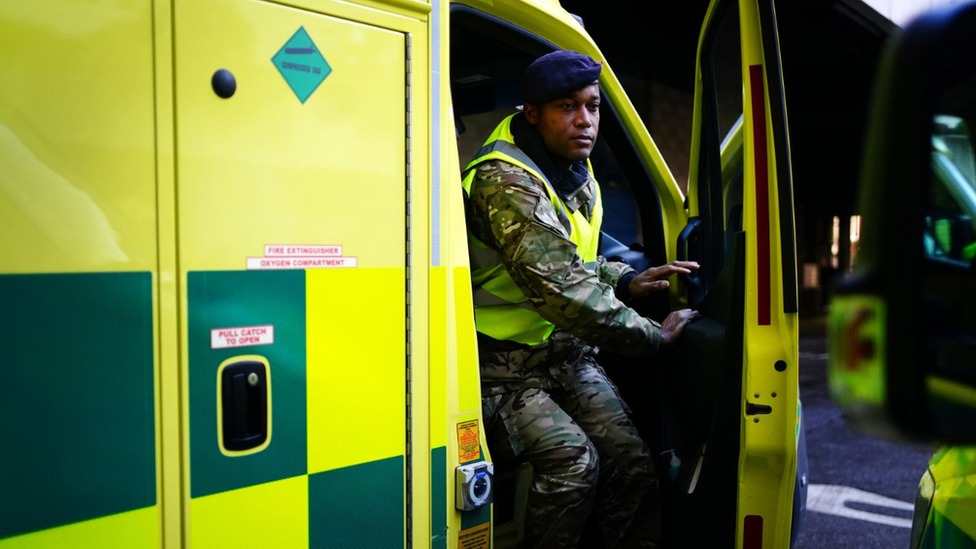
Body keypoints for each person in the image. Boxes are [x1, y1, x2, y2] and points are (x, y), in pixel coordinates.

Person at [460, 50, 701, 549]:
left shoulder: (573, 169)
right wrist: (654, 335)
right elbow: (561, 289)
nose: (584, 121)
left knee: (631, 461)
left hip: (563, 355)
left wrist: (625, 279)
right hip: (501, 369)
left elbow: (570, 260)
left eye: (592, 106)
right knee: (574, 463)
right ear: (533, 114)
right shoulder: (505, 180)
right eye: (567, 107)